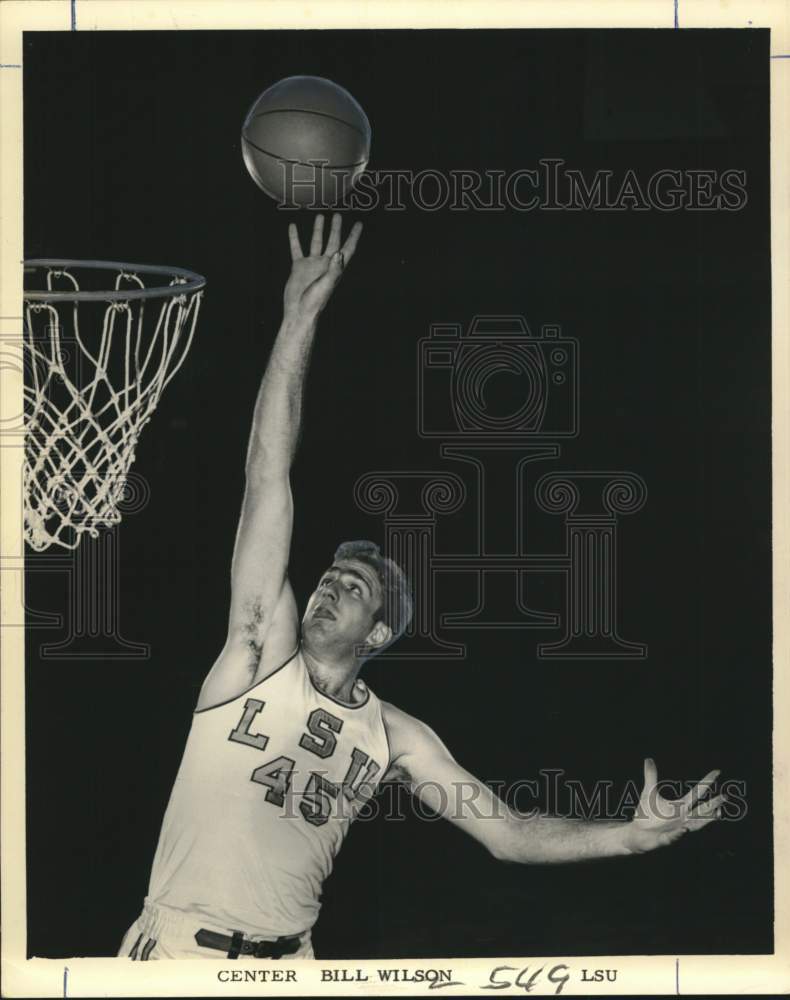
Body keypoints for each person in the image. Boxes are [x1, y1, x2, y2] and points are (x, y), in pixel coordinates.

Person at [119, 214, 724, 961]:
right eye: (327, 577)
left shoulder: (396, 736)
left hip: (293, 962)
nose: (325, 590)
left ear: (378, 634)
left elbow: (507, 833)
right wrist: (297, 319)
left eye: (351, 588)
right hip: (182, 954)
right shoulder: (255, 654)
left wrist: (629, 838)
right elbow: (266, 479)